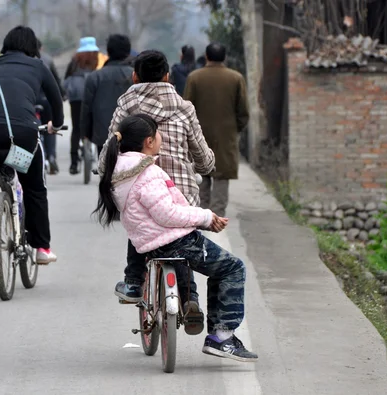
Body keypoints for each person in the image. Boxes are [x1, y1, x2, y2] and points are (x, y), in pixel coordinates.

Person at [94, 114, 258, 362]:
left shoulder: (118, 172)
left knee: (214, 266)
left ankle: (192, 305)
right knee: (232, 268)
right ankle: (222, 337)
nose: (161, 137)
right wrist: (205, 217)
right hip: (175, 240)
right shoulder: (148, 174)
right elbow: (167, 214)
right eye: (158, 134)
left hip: (146, 245)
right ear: (149, 141)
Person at [97, 50, 215, 335]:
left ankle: (134, 283)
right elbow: (202, 154)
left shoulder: (126, 104)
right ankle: (191, 300)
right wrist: (205, 164)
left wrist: (105, 168)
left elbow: (108, 151)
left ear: (135, 76)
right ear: (167, 76)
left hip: (139, 186)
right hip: (181, 192)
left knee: (140, 223)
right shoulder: (184, 107)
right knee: (184, 236)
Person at [0, 26, 65, 264]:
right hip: (22, 135)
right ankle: (42, 248)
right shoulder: (38, 66)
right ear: (32, 47)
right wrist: (56, 124)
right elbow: (56, 99)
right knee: (35, 187)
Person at [184, 43, 249, 217]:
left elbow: (186, 108)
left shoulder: (194, 78)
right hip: (226, 136)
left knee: (201, 174)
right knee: (221, 176)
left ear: (206, 56)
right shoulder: (235, 78)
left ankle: (202, 214)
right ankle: (218, 216)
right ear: (225, 57)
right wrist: (235, 129)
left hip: (198, 135)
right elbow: (243, 111)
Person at [80, 34, 133, 158]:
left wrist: (85, 133)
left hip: (103, 134)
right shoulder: (135, 75)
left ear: (108, 51)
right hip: (132, 134)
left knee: (105, 170)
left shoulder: (95, 77)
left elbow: (86, 108)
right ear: (128, 51)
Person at [63, 40, 99, 174]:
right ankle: (89, 149)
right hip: (92, 96)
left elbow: (66, 79)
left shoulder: (74, 61)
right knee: (91, 123)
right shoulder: (96, 60)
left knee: (76, 128)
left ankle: (73, 162)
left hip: (76, 97)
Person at [37, 39, 66, 175]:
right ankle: (52, 156)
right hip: (47, 100)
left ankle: (38, 156)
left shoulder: (25, 61)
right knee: (50, 127)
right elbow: (56, 81)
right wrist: (62, 95)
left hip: (31, 101)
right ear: (41, 48)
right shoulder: (47, 60)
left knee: (34, 129)